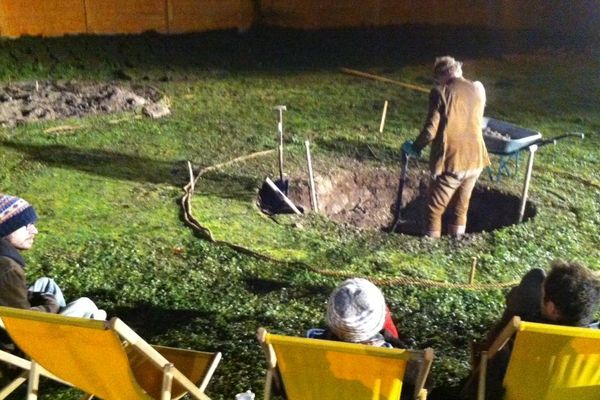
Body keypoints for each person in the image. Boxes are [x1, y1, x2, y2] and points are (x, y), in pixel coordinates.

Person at [466, 261, 600, 399]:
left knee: (534, 278)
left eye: (542, 294)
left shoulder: (525, 332)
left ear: (552, 309)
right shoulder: (594, 344)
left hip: (515, 392)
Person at [403, 56, 490, 238]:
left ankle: (431, 249)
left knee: (434, 210)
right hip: (476, 160)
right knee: (460, 207)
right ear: (458, 70)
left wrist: (415, 147)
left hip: (453, 162)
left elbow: (430, 131)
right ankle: (456, 244)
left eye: (437, 80)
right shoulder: (477, 88)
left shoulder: (440, 92)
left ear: (440, 76)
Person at [0, 194, 106, 320]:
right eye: (26, 225)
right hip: (27, 335)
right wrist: (50, 306)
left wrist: (40, 299)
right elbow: (21, 321)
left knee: (47, 284)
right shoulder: (7, 268)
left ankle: (67, 320)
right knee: (84, 305)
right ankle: (69, 331)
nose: (34, 231)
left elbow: (10, 299)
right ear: (5, 229)